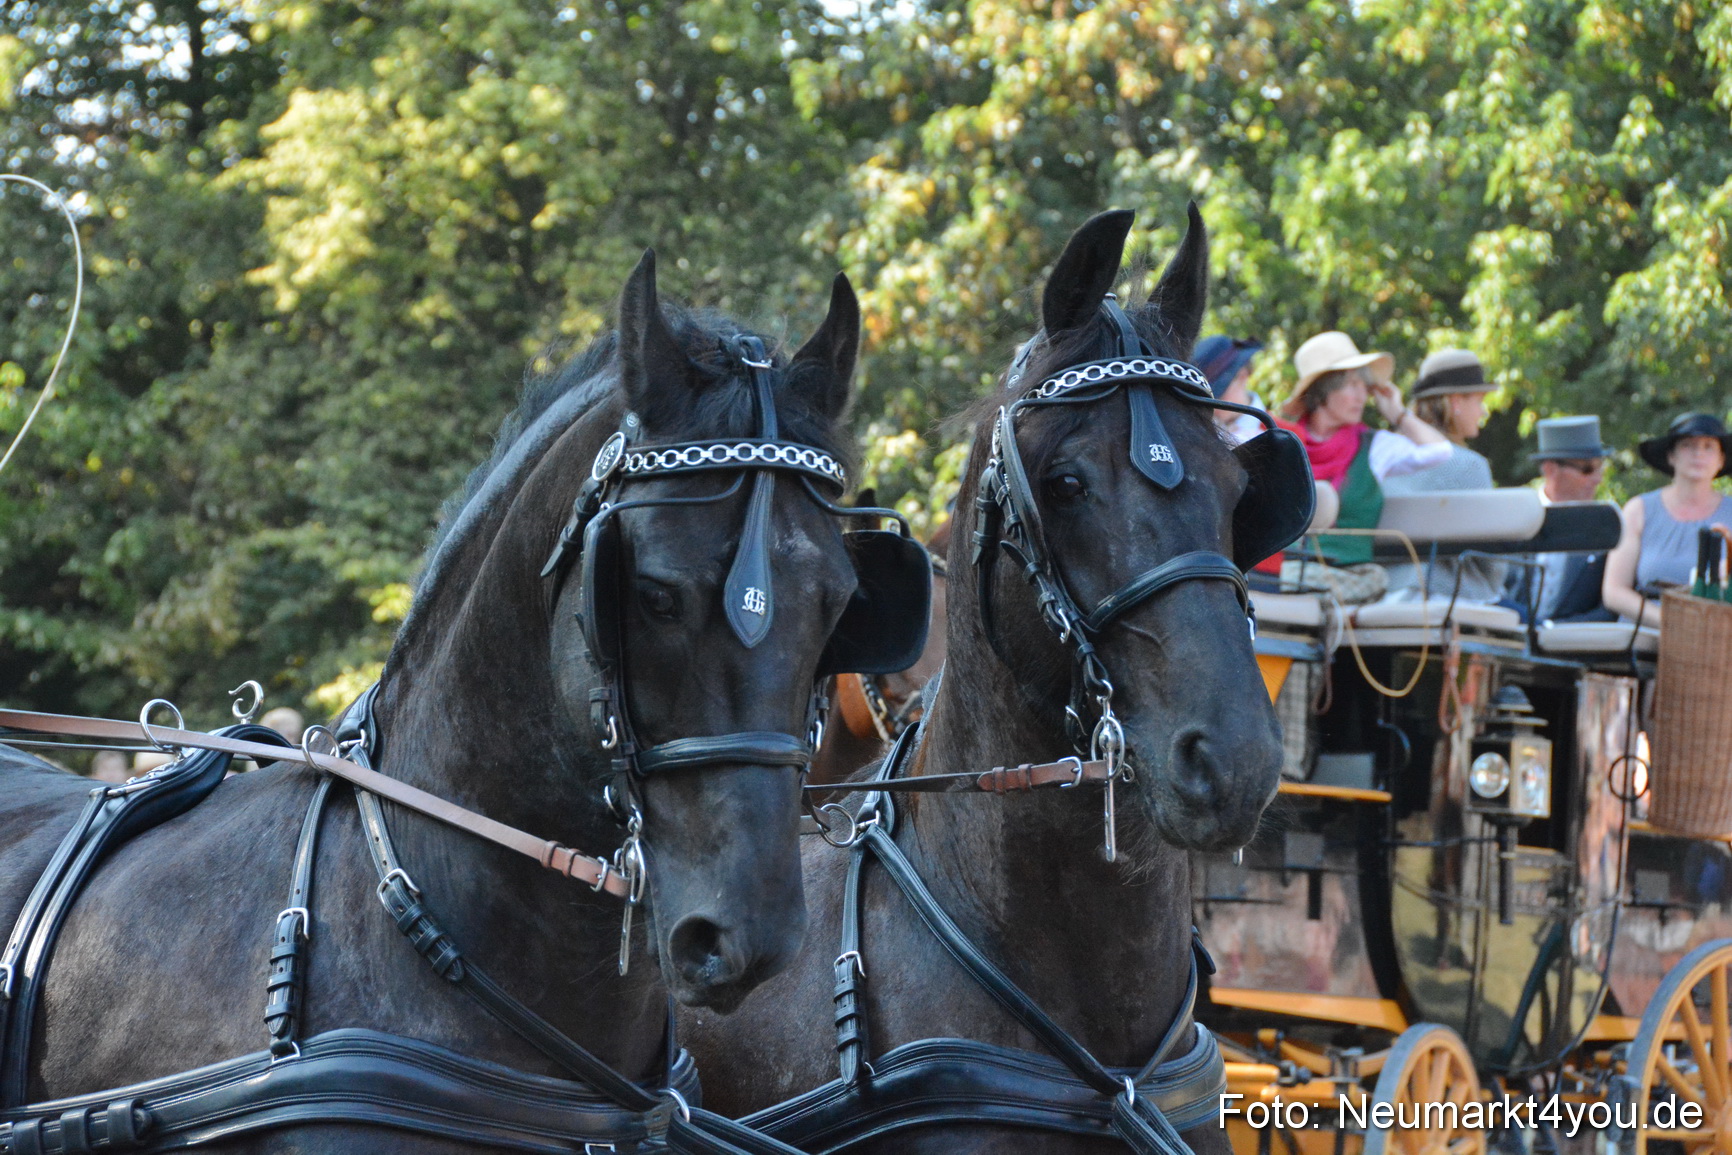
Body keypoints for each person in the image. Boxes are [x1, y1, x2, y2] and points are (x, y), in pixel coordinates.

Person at [1277, 332, 1450, 574]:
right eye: (1352, 385)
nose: (1363, 396)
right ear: (1323, 391)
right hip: (1286, 571)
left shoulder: (1374, 446)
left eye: (1364, 385)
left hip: (1350, 574)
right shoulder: (1285, 441)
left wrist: (1397, 414)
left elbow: (1439, 451)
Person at [1381, 349, 1505, 602]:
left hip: (1383, 592)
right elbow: (1492, 565)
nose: (1483, 412)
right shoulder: (1469, 466)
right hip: (1449, 596)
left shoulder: (1383, 455)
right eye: (1479, 401)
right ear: (1456, 402)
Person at [1603, 412, 1732, 629]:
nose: (1698, 453)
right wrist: (1670, 622)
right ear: (1671, 456)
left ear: (1721, 459)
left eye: (1708, 446)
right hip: (1644, 637)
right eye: (1688, 445)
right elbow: (1614, 591)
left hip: (1716, 638)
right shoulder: (1638, 510)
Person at [1506, 415, 1614, 622]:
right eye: (1587, 468)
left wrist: (1554, 633)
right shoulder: (1512, 517)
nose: (1598, 479)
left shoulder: (1604, 528)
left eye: (1600, 467)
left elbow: (1607, 609)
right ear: (1551, 469)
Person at [1193, 335, 1266, 446]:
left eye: (1217, 396)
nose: (1212, 409)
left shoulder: (1286, 433)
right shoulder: (1195, 435)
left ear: (1242, 375)